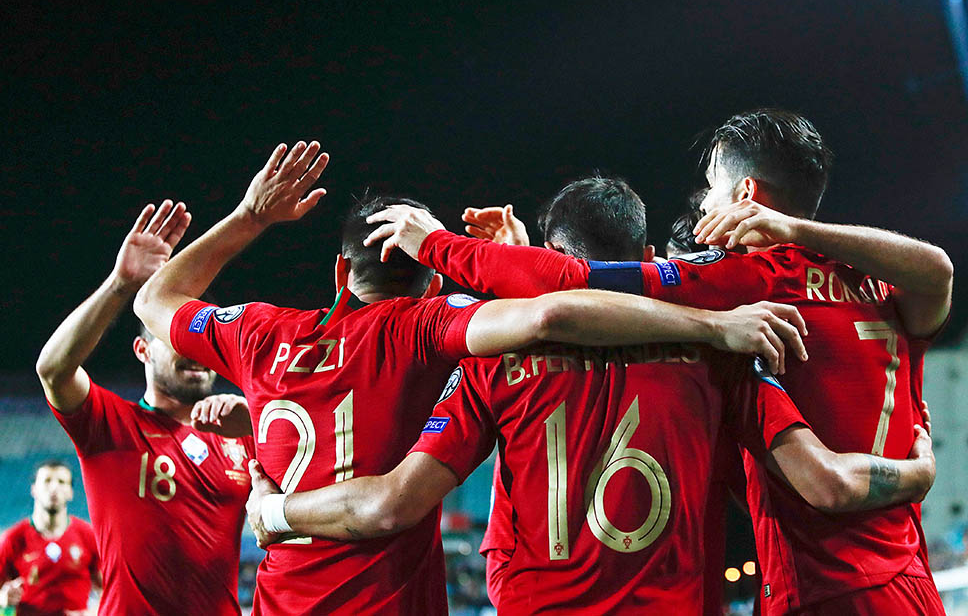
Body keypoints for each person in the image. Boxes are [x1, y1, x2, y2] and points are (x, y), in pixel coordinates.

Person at [134, 141, 812, 615]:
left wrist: (251, 216)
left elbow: (155, 303)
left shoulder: (260, 332)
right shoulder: (435, 328)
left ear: (341, 273)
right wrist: (710, 327)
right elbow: (551, 312)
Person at [243, 175, 934, 615]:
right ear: (639, 256)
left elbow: (396, 500)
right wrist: (917, 468)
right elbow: (822, 480)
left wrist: (275, 510)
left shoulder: (501, 360)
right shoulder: (720, 352)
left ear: (551, 257)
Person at [35, 201, 255, 615]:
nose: (195, 354)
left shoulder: (243, 432)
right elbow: (52, 369)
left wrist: (260, 419)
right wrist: (121, 284)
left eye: (202, 341)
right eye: (177, 340)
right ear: (143, 350)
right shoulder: (108, 422)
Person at [0, 460, 101, 616]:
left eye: (61, 482)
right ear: (34, 489)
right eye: (47, 481)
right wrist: (3, 599)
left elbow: (110, 590)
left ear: (70, 492)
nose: (54, 488)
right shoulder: (13, 538)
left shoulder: (88, 535)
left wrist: (91, 613)